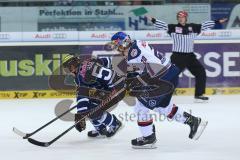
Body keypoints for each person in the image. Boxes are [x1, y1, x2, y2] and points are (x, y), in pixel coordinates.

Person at [110, 31, 208, 149]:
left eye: (117, 45)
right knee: (161, 107)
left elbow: (146, 72)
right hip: (170, 73)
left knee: (141, 107)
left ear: (124, 43)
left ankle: (149, 138)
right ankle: (193, 121)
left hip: (163, 79)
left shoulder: (133, 55)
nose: (117, 48)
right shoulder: (138, 43)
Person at [148, 11, 227, 102]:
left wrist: (217, 21)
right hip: (178, 57)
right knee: (170, 76)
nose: (181, 19)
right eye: (179, 17)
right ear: (177, 19)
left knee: (201, 73)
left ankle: (199, 95)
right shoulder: (173, 28)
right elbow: (162, 25)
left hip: (190, 56)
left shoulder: (193, 27)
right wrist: (153, 20)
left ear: (186, 18)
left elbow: (204, 25)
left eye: (183, 17)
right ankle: (160, 94)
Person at [62, 54, 123, 138]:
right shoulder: (89, 61)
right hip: (116, 84)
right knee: (90, 106)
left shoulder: (80, 77)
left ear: (72, 66)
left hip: (116, 90)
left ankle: (114, 123)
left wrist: (80, 116)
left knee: (92, 111)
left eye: (68, 68)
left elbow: (82, 98)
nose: (68, 72)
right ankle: (101, 128)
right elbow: (108, 60)